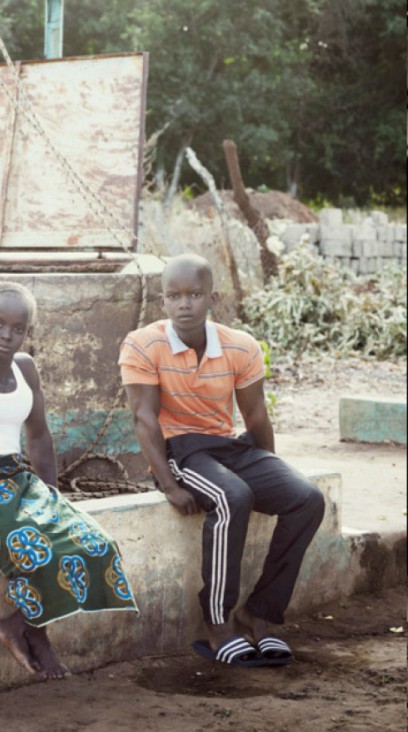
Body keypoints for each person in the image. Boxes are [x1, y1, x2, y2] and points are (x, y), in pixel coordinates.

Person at [0, 282, 138, 679]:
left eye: (18, 328)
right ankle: (38, 636)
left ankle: (19, 625)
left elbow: (39, 435)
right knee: (36, 549)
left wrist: (52, 495)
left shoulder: (25, 369)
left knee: (96, 544)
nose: (6, 335)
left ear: (27, 331)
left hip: (18, 479)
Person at [120, 253, 324, 667]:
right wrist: (169, 484)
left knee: (307, 499)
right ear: (163, 302)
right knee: (232, 496)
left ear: (212, 297)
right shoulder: (142, 343)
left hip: (228, 446)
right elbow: (144, 419)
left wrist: (272, 472)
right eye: (174, 296)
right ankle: (217, 625)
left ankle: (260, 613)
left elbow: (256, 417)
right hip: (179, 450)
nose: (184, 305)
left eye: (195, 294)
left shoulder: (240, 345)